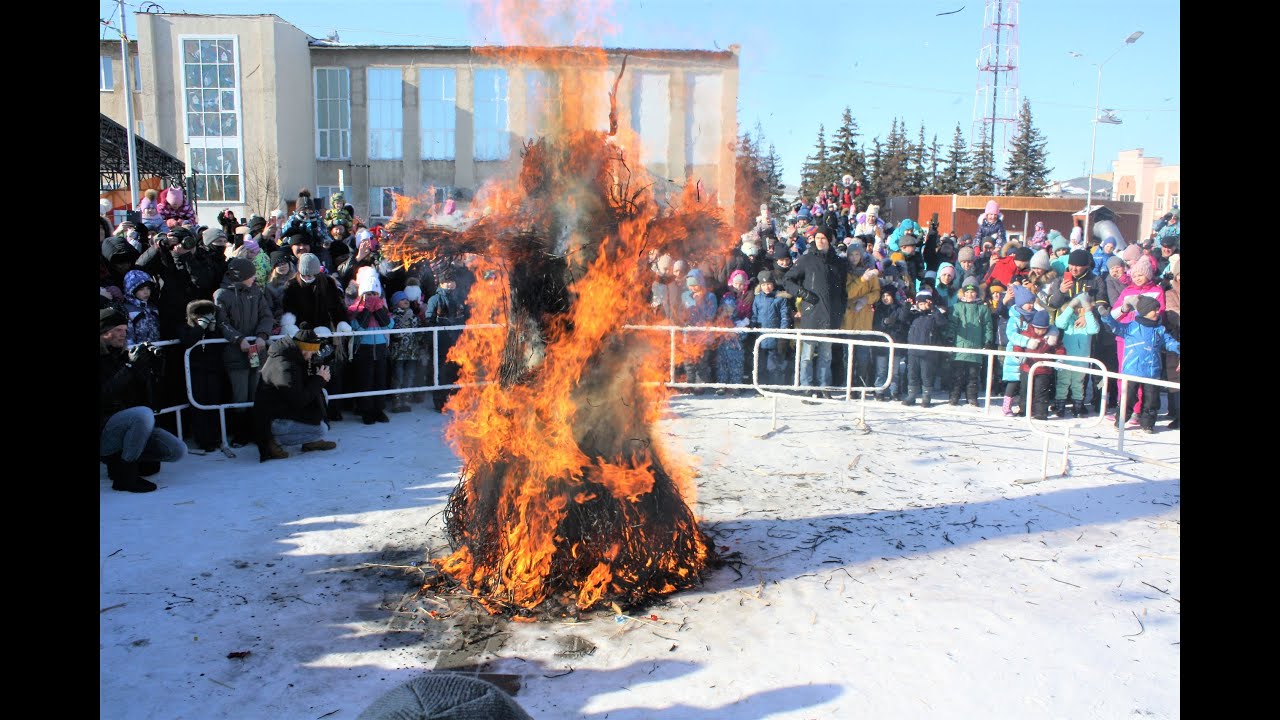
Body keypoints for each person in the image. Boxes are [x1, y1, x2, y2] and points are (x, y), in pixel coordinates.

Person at [100, 308, 186, 492]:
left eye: (124, 330)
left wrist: (151, 370)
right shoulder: (118, 361)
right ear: (103, 332)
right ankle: (125, 476)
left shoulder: (123, 356)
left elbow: (145, 399)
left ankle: (125, 462)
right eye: (117, 330)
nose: (123, 335)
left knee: (177, 451)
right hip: (104, 433)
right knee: (141, 415)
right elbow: (104, 395)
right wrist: (130, 367)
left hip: (125, 428)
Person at [253, 324, 337, 462]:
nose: (312, 356)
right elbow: (299, 399)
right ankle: (272, 440)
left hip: (281, 409)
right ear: (304, 350)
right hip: (273, 420)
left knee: (320, 398)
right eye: (312, 352)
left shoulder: (290, 356)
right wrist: (319, 380)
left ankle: (309, 441)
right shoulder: (285, 364)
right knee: (321, 429)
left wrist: (317, 377)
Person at [1098, 295, 1180, 433]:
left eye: (1158, 309)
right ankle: (1121, 420)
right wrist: (1106, 316)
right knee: (1128, 398)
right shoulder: (1131, 327)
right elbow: (1114, 326)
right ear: (1144, 311)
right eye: (1154, 309)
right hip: (1132, 370)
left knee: (1151, 401)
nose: (1157, 312)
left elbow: (1170, 342)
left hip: (1152, 372)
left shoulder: (1160, 329)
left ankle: (1147, 424)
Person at [214, 256, 274, 446]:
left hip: (257, 351)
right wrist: (238, 339)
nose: (254, 278)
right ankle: (240, 433)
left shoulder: (256, 292)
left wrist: (262, 335)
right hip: (235, 354)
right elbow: (222, 323)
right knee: (240, 396)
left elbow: (266, 316)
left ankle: (257, 432)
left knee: (256, 393)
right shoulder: (222, 295)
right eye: (251, 275)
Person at [783, 229, 848, 400]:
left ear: (830, 240)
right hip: (812, 314)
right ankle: (806, 386)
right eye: (817, 238)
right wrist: (804, 294)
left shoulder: (838, 262)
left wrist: (840, 310)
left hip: (831, 316)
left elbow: (843, 290)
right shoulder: (806, 259)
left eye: (823, 238)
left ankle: (824, 387)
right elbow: (787, 281)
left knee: (826, 356)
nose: (820, 241)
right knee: (807, 355)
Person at [178, 299, 227, 454]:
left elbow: (219, 347)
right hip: (194, 372)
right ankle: (203, 439)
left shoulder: (211, 327)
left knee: (213, 402)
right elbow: (188, 341)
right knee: (198, 404)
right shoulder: (184, 327)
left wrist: (212, 330)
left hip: (212, 370)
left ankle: (215, 436)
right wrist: (200, 327)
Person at [349, 265, 392, 424]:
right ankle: (365, 411)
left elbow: (389, 325)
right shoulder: (356, 308)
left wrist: (379, 310)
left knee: (380, 380)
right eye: (368, 294)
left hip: (380, 347)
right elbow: (357, 326)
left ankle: (379, 409)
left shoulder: (382, 306)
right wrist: (366, 310)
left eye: (374, 293)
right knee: (365, 381)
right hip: (364, 349)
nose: (372, 296)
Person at [948, 278, 993, 407]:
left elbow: (987, 326)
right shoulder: (957, 307)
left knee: (973, 375)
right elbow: (952, 324)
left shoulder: (983, 309)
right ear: (963, 293)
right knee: (957, 375)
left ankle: (972, 397)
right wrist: (950, 337)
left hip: (975, 346)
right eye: (967, 292)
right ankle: (954, 396)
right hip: (960, 346)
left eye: (973, 292)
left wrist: (987, 341)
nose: (970, 295)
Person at [1052, 293, 1099, 418]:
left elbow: (1094, 329)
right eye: (1077, 307)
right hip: (1066, 359)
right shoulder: (1069, 320)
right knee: (1063, 383)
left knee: (1078, 384)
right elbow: (1059, 323)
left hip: (1081, 360)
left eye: (1082, 307)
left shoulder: (1089, 321)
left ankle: (1077, 407)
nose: (1079, 310)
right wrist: (1071, 306)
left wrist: (1088, 312)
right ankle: (1060, 406)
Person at [902, 289, 949, 408]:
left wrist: (933, 309)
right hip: (913, 351)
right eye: (920, 304)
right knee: (912, 374)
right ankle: (911, 396)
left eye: (925, 303)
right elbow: (902, 318)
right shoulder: (914, 315)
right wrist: (906, 307)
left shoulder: (934, 315)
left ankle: (926, 397)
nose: (923, 306)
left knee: (927, 375)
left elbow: (943, 324)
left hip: (928, 353)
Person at [750, 271, 791, 387]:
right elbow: (754, 315)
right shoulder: (757, 299)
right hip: (761, 338)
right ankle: (762, 387)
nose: (766, 287)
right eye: (763, 285)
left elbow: (784, 317)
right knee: (761, 365)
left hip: (774, 337)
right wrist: (753, 326)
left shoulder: (780, 299)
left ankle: (774, 387)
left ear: (773, 284)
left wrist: (782, 334)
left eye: (768, 284)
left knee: (773, 366)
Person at [388, 290, 425, 412]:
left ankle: (406, 400)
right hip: (398, 352)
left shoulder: (414, 317)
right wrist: (404, 319)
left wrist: (420, 342)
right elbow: (395, 334)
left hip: (412, 352)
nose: (405, 301)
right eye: (402, 300)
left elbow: (420, 332)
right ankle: (397, 401)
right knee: (398, 376)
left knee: (410, 375)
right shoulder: (393, 317)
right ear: (396, 303)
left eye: (406, 299)